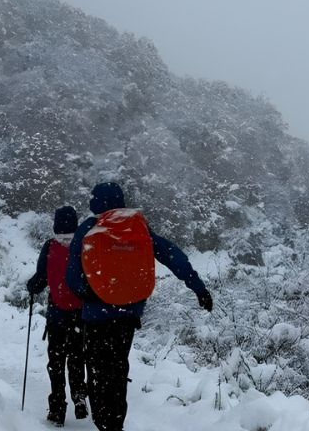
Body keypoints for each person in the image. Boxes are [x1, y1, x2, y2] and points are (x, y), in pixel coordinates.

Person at [66, 181, 213, 431]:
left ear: (98, 202)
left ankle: (103, 423)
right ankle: (115, 423)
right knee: (118, 369)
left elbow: (72, 277)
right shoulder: (139, 228)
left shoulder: (89, 228)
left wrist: (91, 294)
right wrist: (198, 287)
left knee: (98, 372)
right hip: (127, 314)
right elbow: (172, 255)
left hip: (95, 316)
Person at [26, 205, 90, 427]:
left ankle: (57, 409)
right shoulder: (84, 246)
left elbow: (41, 278)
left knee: (56, 362)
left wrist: (32, 286)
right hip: (81, 316)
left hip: (57, 315)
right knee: (77, 358)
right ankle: (80, 396)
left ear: (55, 226)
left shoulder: (50, 246)